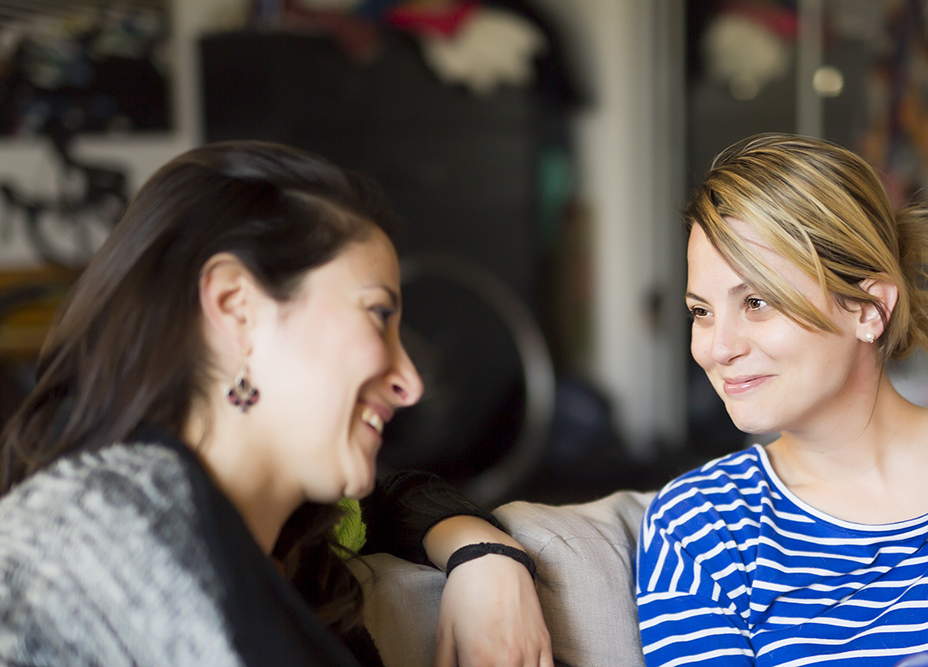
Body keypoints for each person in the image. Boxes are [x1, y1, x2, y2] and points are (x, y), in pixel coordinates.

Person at [0, 140, 552, 667]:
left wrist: (484, 553)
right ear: (237, 307)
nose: (410, 382)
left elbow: (386, 502)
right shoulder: (96, 535)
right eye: (378, 315)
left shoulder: (276, 527)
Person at [636, 133, 928, 666]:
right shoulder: (702, 528)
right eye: (701, 311)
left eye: (756, 302)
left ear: (868, 310)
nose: (718, 348)